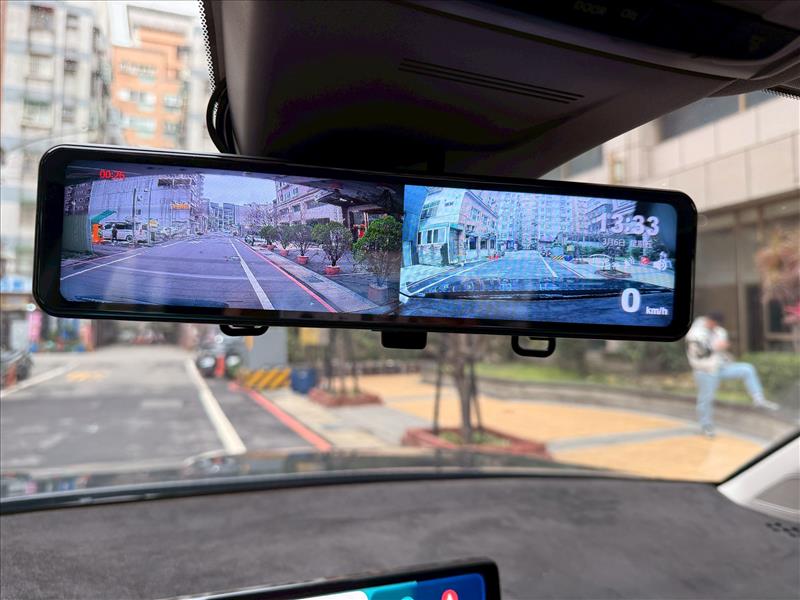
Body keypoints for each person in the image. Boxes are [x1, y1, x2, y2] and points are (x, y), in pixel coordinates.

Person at [686, 312, 779, 437]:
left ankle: (759, 400)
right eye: (714, 323)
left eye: (717, 324)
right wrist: (715, 347)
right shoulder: (694, 333)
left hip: (720, 367)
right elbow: (700, 353)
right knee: (706, 399)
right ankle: (706, 426)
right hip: (704, 371)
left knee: (747, 369)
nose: (715, 326)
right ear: (709, 320)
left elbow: (720, 350)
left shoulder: (720, 331)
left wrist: (723, 350)